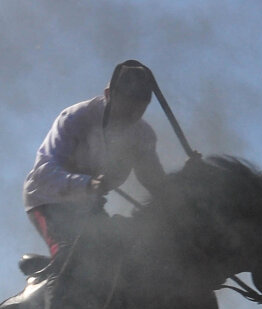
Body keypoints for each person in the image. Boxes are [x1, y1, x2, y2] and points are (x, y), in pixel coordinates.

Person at [23, 61, 166, 259]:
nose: (131, 116)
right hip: (48, 201)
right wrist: (88, 183)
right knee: (76, 264)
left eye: (139, 110)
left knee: (126, 257)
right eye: (126, 107)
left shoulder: (142, 136)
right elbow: (44, 174)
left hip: (89, 208)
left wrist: (185, 184)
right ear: (108, 95)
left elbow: (156, 182)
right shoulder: (76, 118)